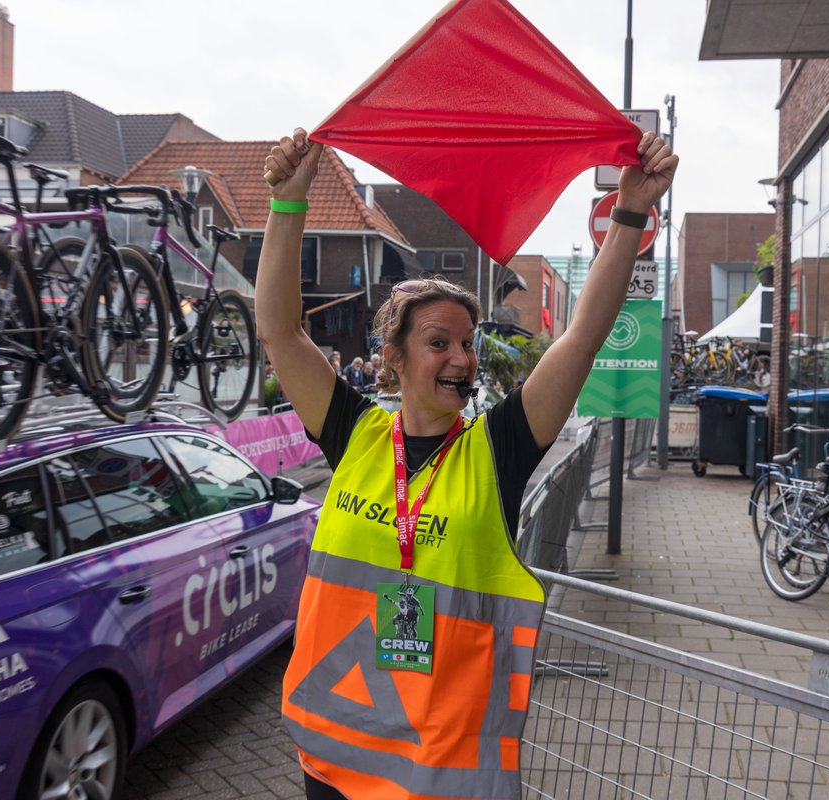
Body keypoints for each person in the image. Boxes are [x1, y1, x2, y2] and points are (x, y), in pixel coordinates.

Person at [258, 126, 676, 800]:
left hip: (439, 777)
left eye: (468, 343)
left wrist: (629, 213)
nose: (462, 358)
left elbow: (581, 338)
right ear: (393, 357)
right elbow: (281, 331)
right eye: (438, 342)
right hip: (334, 761)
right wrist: (287, 204)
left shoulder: (496, 449)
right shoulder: (355, 433)